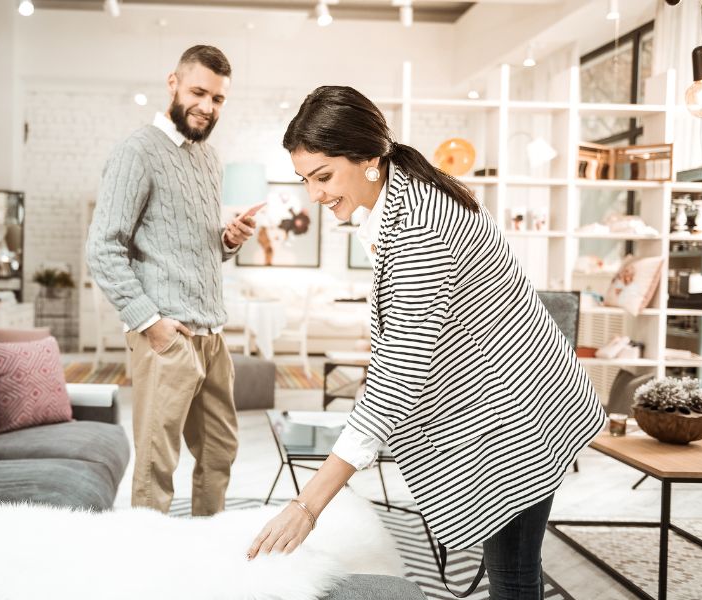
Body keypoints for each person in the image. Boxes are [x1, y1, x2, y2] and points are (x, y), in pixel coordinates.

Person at [247, 86, 606, 600]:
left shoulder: (422, 223)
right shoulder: (398, 197)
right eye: (306, 179)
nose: (314, 195)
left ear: (368, 158)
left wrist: (308, 504)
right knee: (511, 562)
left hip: (523, 411)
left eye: (323, 176)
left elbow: (399, 371)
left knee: (513, 571)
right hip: (507, 400)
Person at [86, 45, 258, 516]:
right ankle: (149, 569)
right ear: (173, 84)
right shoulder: (137, 152)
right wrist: (150, 323)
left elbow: (193, 249)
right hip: (166, 337)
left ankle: (206, 548)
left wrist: (229, 240)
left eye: (218, 98)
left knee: (220, 453)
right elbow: (102, 248)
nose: (207, 106)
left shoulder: (209, 159)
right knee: (157, 464)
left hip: (212, 336)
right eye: (199, 92)